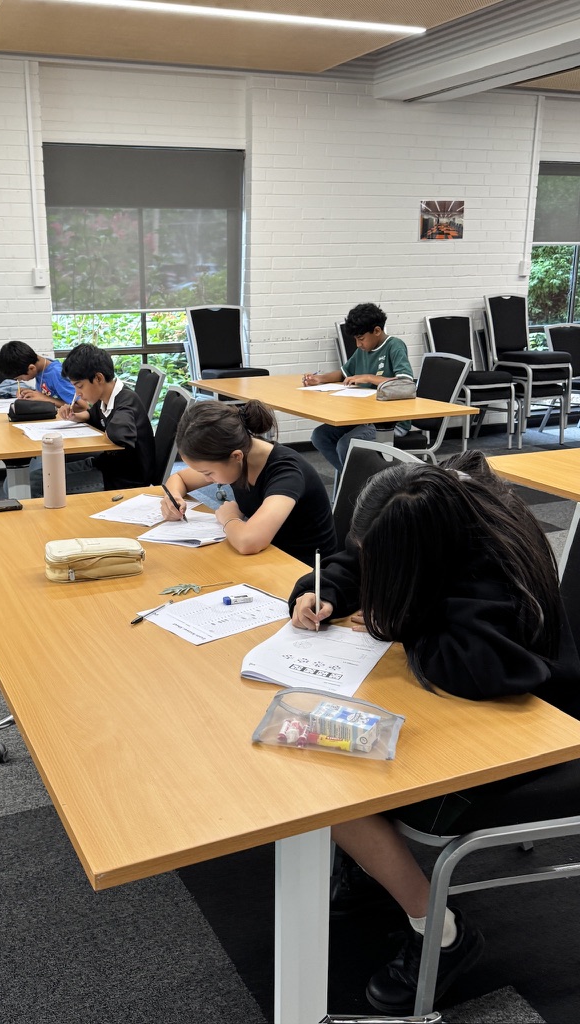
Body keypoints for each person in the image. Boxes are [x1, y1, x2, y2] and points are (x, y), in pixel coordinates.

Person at [288, 451, 580, 1014]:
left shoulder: (494, 566)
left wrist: (393, 621)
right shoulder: (431, 512)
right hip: (470, 707)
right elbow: (359, 560)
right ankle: (372, 866)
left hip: (523, 726)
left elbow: (479, 671)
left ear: (418, 550)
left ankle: (441, 932)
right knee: (322, 735)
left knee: (328, 776)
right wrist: (326, 592)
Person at [160, 399, 337, 567]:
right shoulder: (238, 457)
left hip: (306, 573)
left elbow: (249, 541)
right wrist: (174, 498)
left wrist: (229, 517)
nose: (206, 479)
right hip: (267, 556)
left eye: (208, 473)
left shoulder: (286, 473)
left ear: (236, 456)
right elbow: (179, 478)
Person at [302, 303, 414, 473]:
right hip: (365, 418)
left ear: (377, 331)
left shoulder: (395, 346)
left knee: (346, 445)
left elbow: (405, 383)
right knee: (320, 436)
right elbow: (343, 373)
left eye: (361, 338)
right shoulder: (363, 350)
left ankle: (360, 483)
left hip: (390, 422)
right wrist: (319, 379)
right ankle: (354, 479)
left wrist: (369, 377)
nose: (358, 344)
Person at [57, 343, 155, 492]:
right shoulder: (105, 397)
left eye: (79, 386)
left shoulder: (126, 401)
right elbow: (93, 415)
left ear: (98, 378)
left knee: (43, 487)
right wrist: (75, 416)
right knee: (38, 476)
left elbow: (119, 435)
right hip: (105, 465)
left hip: (124, 480)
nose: (77, 393)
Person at [0, 340, 76, 408]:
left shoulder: (57, 374)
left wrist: (44, 398)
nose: (20, 380)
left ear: (31, 368)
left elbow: (81, 406)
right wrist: (31, 392)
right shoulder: (40, 371)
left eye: (20, 378)